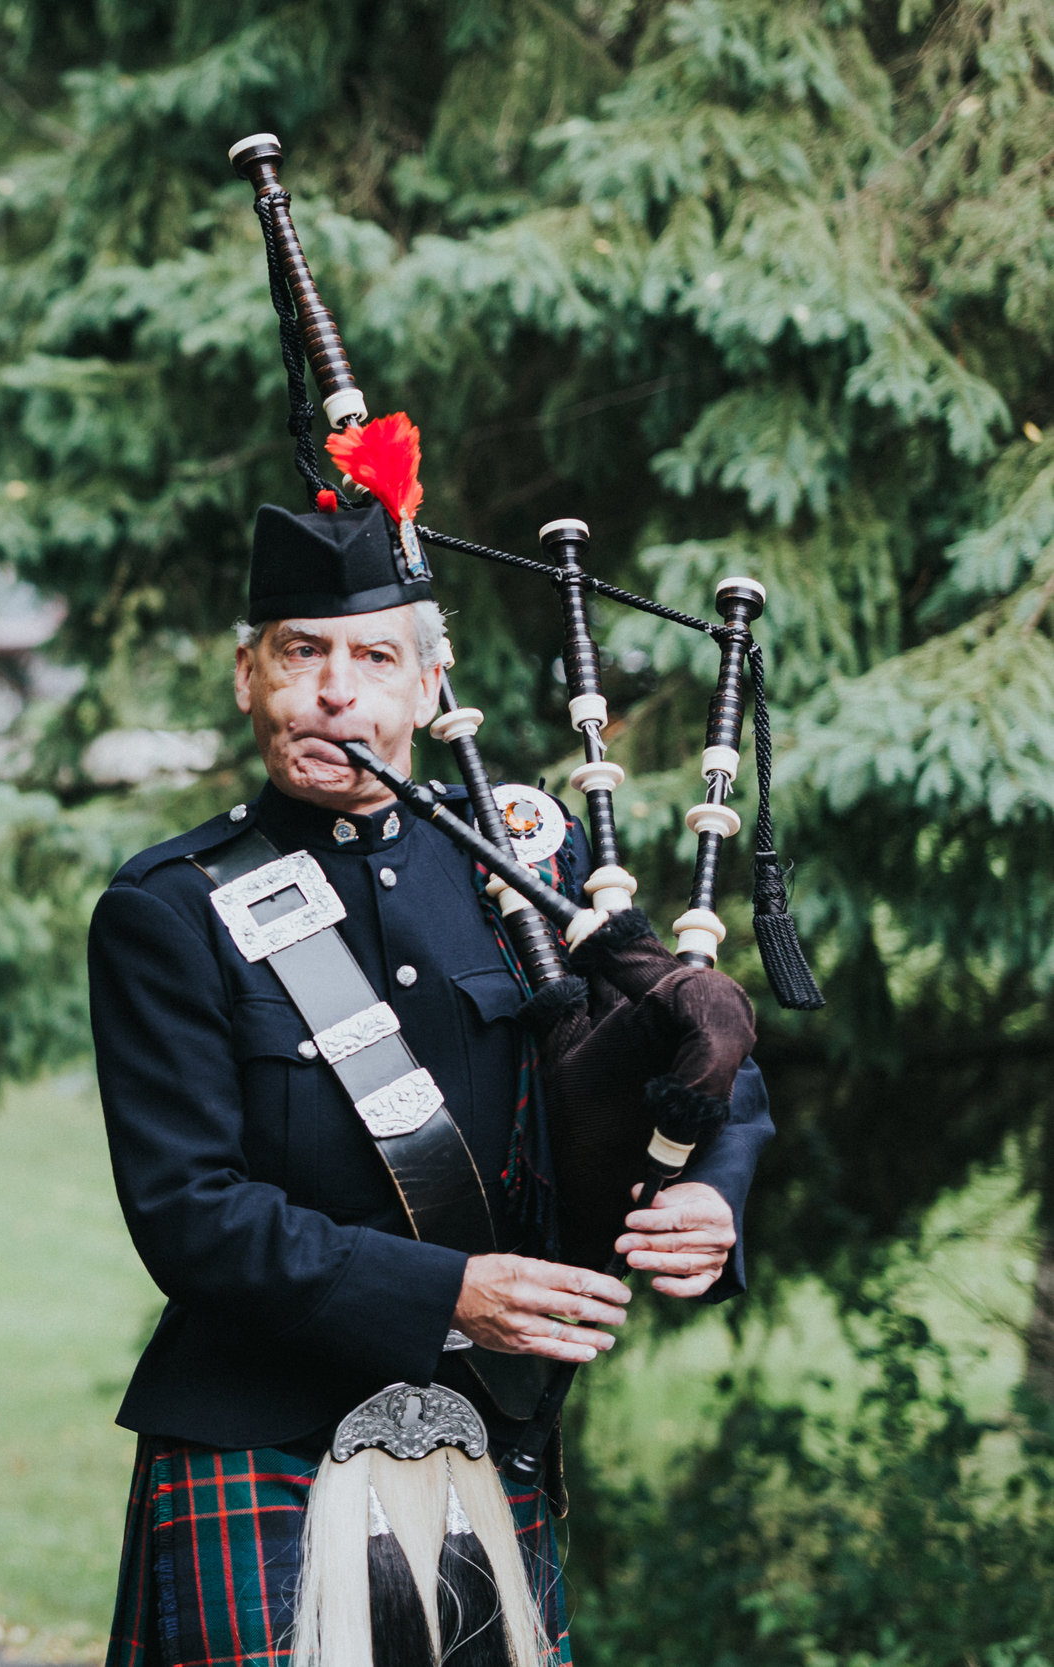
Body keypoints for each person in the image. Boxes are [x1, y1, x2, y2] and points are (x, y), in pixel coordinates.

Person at [89, 501, 775, 1665]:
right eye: (300, 652)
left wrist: (712, 1188)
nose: (334, 692)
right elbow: (188, 1212)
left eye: (372, 658)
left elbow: (689, 1050)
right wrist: (447, 1290)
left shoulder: (527, 864)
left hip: (485, 1438)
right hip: (259, 1427)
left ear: (426, 686)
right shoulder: (170, 908)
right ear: (247, 674)